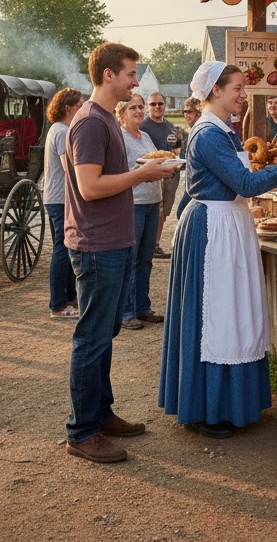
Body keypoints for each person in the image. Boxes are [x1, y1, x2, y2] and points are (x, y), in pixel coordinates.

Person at [158, 62, 277, 439]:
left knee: (233, 313)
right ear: (215, 91)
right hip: (212, 228)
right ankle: (206, 410)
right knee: (216, 317)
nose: (243, 96)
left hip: (228, 224)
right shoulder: (209, 135)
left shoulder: (224, 131)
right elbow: (245, 183)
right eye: (237, 89)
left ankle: (231, 404)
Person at [63, 42, 175, 464]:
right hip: (96, 244)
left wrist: (141, 174)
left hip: (114, 241)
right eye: (130, 73)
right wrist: (142, 174)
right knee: (91, 338)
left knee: (104, 335)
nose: (135, 80)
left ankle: (101, 413)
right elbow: (90, 188)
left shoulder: (105, 119)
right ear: (108, 75)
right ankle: (81, 431)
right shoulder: (90, 123)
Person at [115, 92, 164, 330]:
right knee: (129, 260)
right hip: (133, 204)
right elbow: (120, 173)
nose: (139, 111)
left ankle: (143, 307)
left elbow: (156, 161)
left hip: (152, 203)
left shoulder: (144, 136)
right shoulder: (119, 138)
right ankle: (125, 312)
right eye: (133, 108)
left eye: (140, 107)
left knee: (145, 260)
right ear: (121, 114)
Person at [42, 87, 84, 320]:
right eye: (78, 104)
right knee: (62, 249)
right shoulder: (61, 132)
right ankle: (57, 305)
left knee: (65, 247)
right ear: (67, 107)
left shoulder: (59, 129)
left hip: (55, 197)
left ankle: (68, 296)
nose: (81, 108)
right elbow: (69, 168)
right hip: (60, 199)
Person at [140, 91, 180, 259]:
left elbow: (176, 147)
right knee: (156, 208)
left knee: (164, 212)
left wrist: (177, 152)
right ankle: (148, 244)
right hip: (151, 174)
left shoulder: (170, 126)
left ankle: (155, 244)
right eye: (153, 104)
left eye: (160, 104)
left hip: (169, 173)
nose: (157, 107)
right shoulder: (143, 126)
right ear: (148, 107)